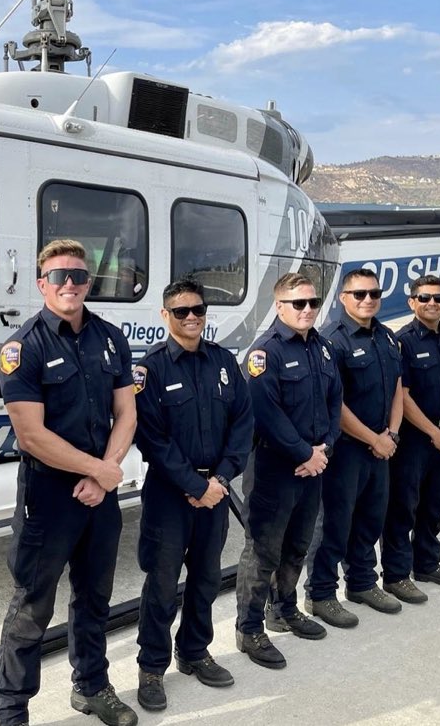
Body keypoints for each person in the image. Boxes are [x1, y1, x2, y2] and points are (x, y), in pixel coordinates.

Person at [0, 239, 138, 726]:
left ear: (88, 284)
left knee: (95, 597)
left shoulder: (111, 339)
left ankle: (92, 687)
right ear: (42, 285)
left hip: (100, 492)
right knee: (32, 605)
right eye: (59, 277)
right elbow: (31, 435)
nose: (70, 284)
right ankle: (11, 710)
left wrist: (105, 474)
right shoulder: (22, 347)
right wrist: (97, 470)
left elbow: (127, 414)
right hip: (49, 496)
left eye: (78, 276)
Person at [133, 278, 253, 711]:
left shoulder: (223, 362)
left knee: (205, 580)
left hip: (215, 494)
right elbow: (152, 440)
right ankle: (151, 667)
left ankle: (194, 652)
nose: (191, 318)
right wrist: (195, 485)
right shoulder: (150, 371)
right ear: (165, 316)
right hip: (171, 496)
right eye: (180, 311)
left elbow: (243, 424)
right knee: (162, 586)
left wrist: (219, 480)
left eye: (198, 310)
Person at [235, 272, 342, 669]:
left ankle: (283, 609)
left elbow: (335, 402)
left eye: (312, 303)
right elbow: (265, 414)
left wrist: (325, 449)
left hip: (313, 468)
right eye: (298, 303)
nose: (307, 310)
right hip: (274, 471)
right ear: (279, 306)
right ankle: (249, 629)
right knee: (262, 551)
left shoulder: (323, 349)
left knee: (297, 545)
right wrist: (304, 453)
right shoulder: (265, 353)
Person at [305, 268, 403, 628]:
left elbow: (397, 388)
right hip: (347, 450)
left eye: (373, 293)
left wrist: (391, 434)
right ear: (344, 298)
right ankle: (321, 593)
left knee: (370, 519)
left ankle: (362, 582)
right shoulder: (332, 339)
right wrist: (374, 438)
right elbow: (335, 403)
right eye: (359, 294)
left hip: (381, 448)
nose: (368, 300)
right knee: (334, 523)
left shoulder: (388, 338)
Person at [381, 275, 440, 600]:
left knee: (436, 503)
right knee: (403, 506)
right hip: (415, 440)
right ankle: (395, 574)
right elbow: (401, 395)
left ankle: (427, 563)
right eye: (424, 298)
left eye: (438, 298)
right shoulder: (402, 341)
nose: (431, 303)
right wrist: (435, 432)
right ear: (412, 302)